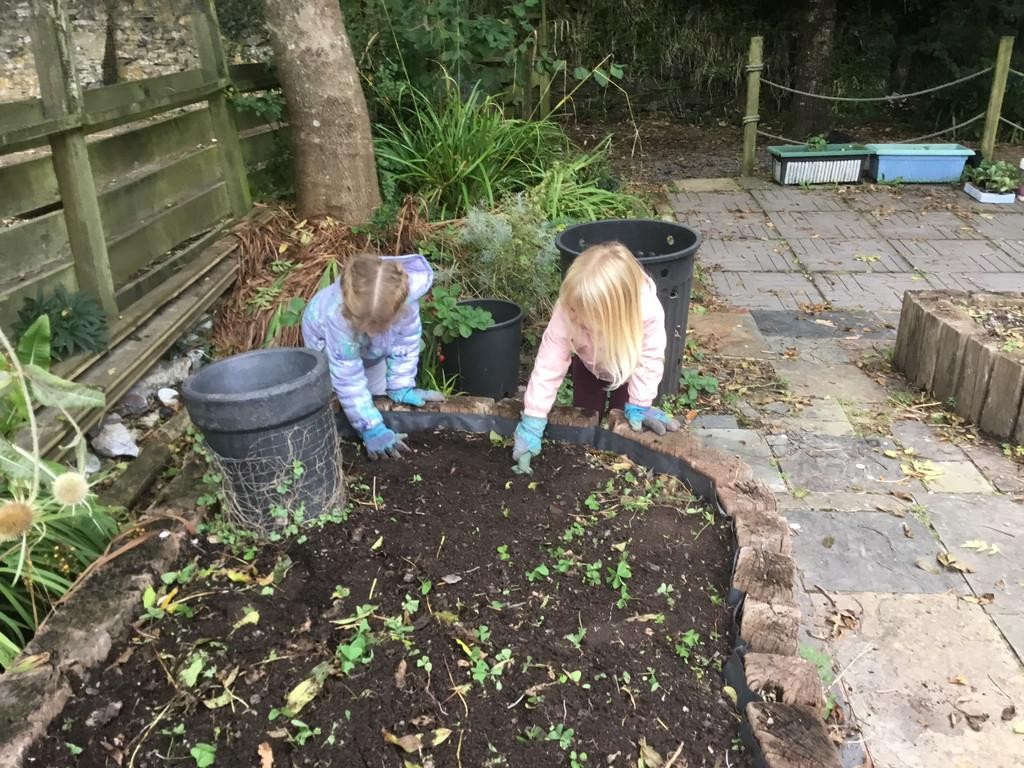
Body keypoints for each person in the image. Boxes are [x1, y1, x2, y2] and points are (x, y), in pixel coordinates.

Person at [512, 242, 679, 474]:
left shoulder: (646, 310)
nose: (576, 318)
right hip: (589, 364)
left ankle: (621, 471)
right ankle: (584, 466)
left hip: (628, 367)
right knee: (585, 417)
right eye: (574, 312)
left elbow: (650, 357)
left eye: (584, 317)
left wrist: (641, 402)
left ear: (614, 313)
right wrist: (533, 419)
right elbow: (549, 361)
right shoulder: (569, 307)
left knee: (625, 427)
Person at [302, 253, 444, 460]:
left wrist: (401, 385)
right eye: (367, 324)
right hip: (327, 344)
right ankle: (364, 425)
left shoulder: (406, 304)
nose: (372, 331)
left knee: (377, 394)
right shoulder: (339, 316)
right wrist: (370, 427)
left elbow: (405, 343)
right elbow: (347, 376)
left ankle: (374, 414)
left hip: (372, 350)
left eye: (379, 323)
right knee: (338, 395)